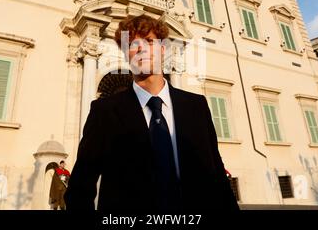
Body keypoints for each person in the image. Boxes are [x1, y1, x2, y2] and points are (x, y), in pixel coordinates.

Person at [64, 16, 239, 216]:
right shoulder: (104, 111)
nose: (142, 49)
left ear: (163, 49)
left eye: (149, 41)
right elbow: (80, 186)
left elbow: (216, 174)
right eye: (132, 44)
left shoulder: (196, 106)